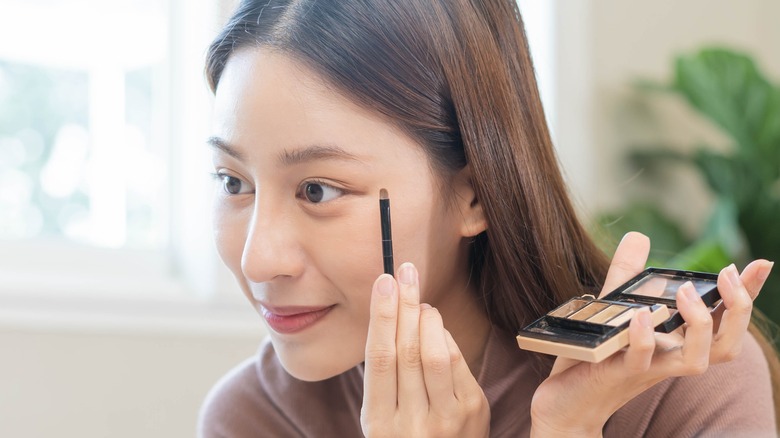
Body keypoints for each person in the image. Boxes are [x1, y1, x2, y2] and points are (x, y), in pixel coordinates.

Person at [197, 0, 778, 436]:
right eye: (233, 182)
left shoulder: (678, 389)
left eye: (317, 190)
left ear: (474, 195)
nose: (257, 258)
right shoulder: (254, 418)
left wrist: (568, 428)